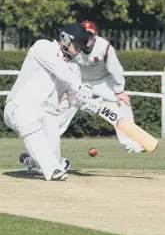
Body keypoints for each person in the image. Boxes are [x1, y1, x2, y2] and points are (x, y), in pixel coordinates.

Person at [4, 23, 101, 181]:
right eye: (75, 47)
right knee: (28, 118)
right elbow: (59, 68)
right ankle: (51, 169)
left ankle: (33, 162)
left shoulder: (74, 69)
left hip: (47, 115)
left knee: (53, 157)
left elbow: (73, 98)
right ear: (64, 39)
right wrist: (79, 86)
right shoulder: (43, 47)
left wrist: (88, 102)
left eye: (79, 49)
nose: (77, 52)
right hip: (19, 107)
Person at [57, 20, 145, 153]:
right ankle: (48, 138)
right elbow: (65, 68)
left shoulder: (104, 46)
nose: (87, 38)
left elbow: (115, 69)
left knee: (122, 104)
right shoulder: (72, 46)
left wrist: (120, 90)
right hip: (81, 82)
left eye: (90, 34)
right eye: (85, 34)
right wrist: (65, 89)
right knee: (64, 105)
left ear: (96, 34)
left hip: (103, 82)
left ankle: (133, 144)